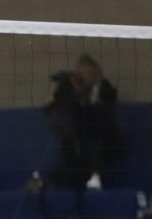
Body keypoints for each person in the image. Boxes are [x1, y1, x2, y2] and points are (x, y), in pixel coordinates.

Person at [36, 54, 120, 190]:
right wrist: (64, 91)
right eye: (83, 73)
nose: (87, 76)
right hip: (78, 139)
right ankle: (52, 185)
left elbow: (105, 115)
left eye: (90, 73)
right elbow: (47, 108)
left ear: (96, 72)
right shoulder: (71, 87)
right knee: (69, 146)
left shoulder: (105, 88)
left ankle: (95, 176)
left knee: (93, 137)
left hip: (104, 138)